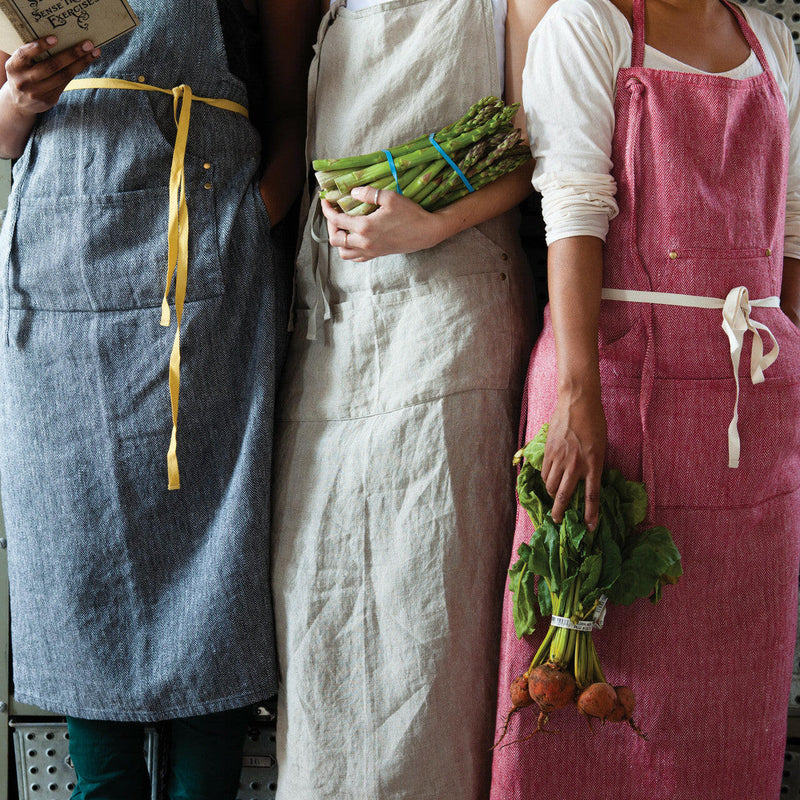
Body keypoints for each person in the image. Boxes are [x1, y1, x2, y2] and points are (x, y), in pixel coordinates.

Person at [0, 0, 315, 797]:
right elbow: (2, 138)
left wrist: (251, 219)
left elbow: (291, 105)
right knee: (79, 560)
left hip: (210, 268)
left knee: (217, 556)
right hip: (60, 269)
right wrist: (21, 101)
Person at [491, 0, 800, 798]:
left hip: (750, 401)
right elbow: (572, 211)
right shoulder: (588, 28)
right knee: (596, 675)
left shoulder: (770, 42)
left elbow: (792, 232)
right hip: (615, 392)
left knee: (734, 693)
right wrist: (576, 394)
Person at [269, 0, 549, 797]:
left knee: (435, 630)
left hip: (450, 330)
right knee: (320, 618)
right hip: (331, 342)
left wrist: (428, 226)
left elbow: (543, 149)